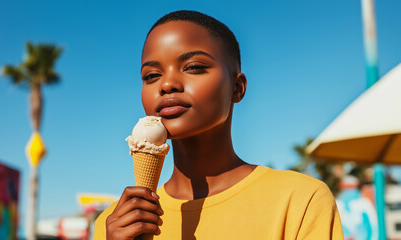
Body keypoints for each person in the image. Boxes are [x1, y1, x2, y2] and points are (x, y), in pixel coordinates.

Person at [94, 10, 343, 240]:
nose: (167, 84)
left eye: (193, 67)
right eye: (151, 76)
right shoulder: (115, 223)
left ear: (237, 87)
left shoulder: (300, 200)